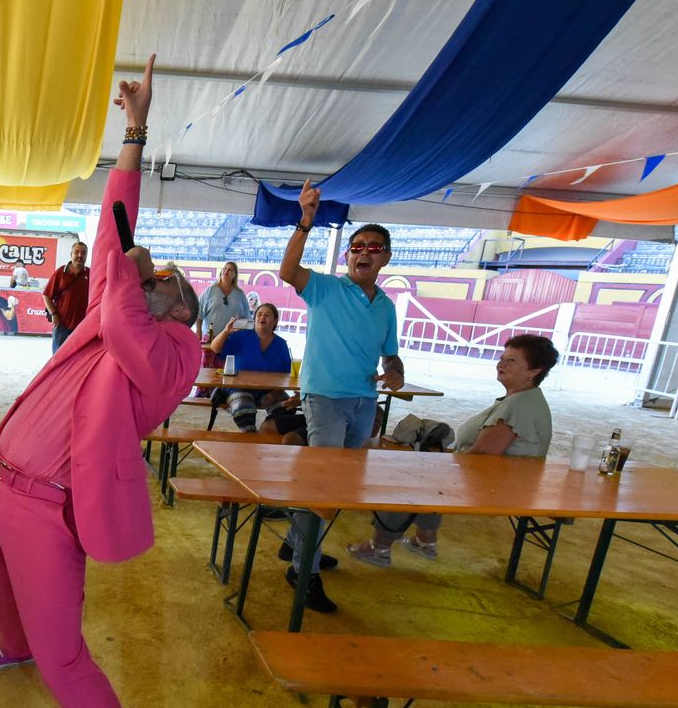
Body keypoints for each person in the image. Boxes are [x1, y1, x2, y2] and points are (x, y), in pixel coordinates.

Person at [0, 55, 198, 708]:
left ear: (183, 308)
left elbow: (134, 319)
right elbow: (114, 229)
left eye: (167, 278)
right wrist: (133, 132)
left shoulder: (173, 352)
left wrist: (133, 278)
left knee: (66, 657)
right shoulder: (112, 309)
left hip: (49, 511)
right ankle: (13, 643)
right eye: (151, 271)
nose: (150, 271)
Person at [275, 181, 405, 615]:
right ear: (347, 254)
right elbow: (287, 272)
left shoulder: (386, 306)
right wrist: (306, 221)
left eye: (374, 247)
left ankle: (297, 542)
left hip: (363, 403)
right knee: (324, 487)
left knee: (341, 487)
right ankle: (303, 570)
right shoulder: (326, 288)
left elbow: (391, 354)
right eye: (356, 247)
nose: (363, 252)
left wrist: (395, 370)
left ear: (385, 256)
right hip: (325, 399)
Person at [348, 335, 558, 566]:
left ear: (534, 371)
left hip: (498, 485)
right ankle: (424, 540)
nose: (501, 364)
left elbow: (483, 456)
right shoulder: (521, 399)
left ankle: (379, 547)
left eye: (512, 361)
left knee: (408, 477)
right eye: (502, 358)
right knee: (425, 464)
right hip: (502, 478)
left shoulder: (520, 406)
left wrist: (441, 464)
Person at [206, 302, 292, 432]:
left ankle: (266, 432)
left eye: (267, 315)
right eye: (259, 314)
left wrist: (275, 394)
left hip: (269, 390)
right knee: (244, 409)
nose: (262, 317)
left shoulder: (281, 344)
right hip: (239, 388)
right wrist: (226, 331)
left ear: (275, 321)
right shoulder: (242, 336)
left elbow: (286, 376)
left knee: (287, 408)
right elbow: (215, 348)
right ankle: (250, 436)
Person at [43, 240, 89, 353]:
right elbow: (46, 296)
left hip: (81, 325)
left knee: (78, 356)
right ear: (71, 254)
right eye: (76, 252)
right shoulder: (60, 272)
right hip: (61, 323)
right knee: (57, 356)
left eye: (83, 253)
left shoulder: (91, 274)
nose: (80, 256)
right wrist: (54, 315)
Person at [198, 261, 250, 344]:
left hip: (232, 341)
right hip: (210, 340)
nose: (226, 271)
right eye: (224, 269)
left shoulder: (240, 294)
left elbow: (247, 320)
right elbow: (199, 313)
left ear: (234, 275)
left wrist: (239, 328)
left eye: (230, 270)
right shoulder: (210, 290)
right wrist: (198, 331)